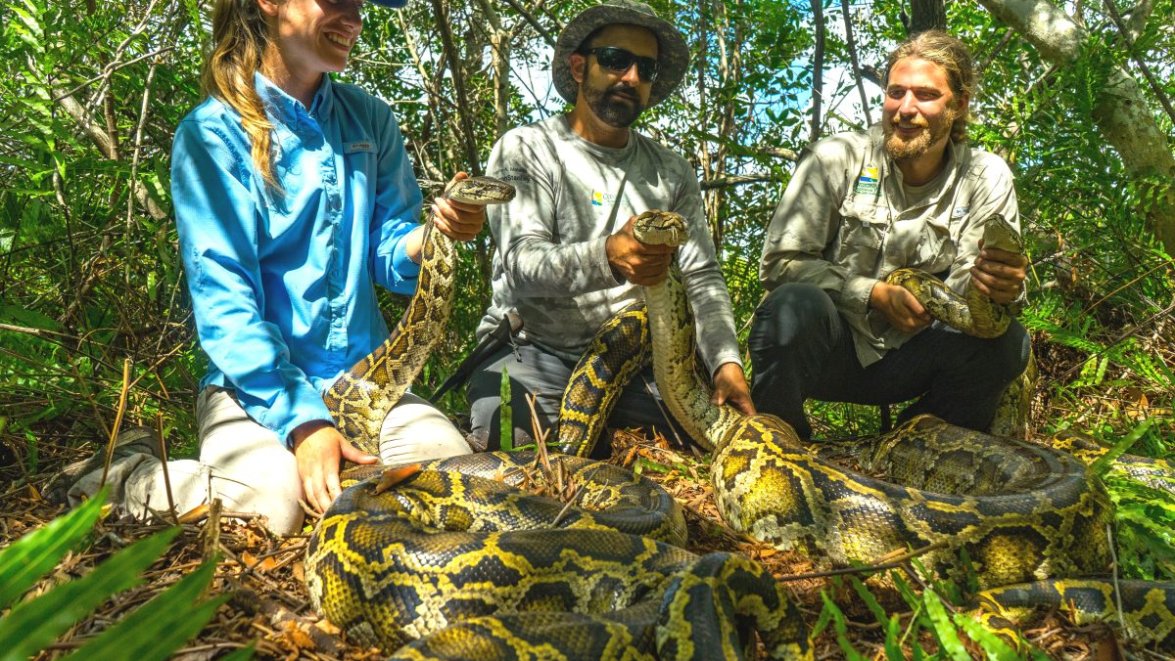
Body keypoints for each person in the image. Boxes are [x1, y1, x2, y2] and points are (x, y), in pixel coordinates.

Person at [59, 0, 485, 535]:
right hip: (255, 389)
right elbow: (225, 304)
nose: (354, 17)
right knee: (268, 510)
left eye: (362, 3)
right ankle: (119, 474)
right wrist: (305, 422)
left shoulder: (370, 120)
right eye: (338, 1)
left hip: (366, 379)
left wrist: (431, 237)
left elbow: (386, 250)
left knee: (455, 484)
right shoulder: (213, 134)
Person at [466, 0, 754, 456]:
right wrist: (608, 257)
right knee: (511, 446)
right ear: (580, 66)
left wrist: (725, 361)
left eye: (646, 68)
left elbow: (701, 275)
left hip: (637, 356)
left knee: (716, 442)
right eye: (616, 59)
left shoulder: (672, 171)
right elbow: (521, 263)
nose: (631, 77)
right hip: (533, 347)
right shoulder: (527, 148)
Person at [749, 30, 1031, 441]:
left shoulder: (985, 177)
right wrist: (872, 293)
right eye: (895, 92)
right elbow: (780, 263)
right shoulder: (836, 158)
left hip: (917, 357)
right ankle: (778, 441)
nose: (905, 109)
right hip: (833, 349)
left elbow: (978, 301)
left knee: (1009, 345)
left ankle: (920, 443)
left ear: (960, 104)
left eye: (926, 95)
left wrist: (1003, 288)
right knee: (791, 305)